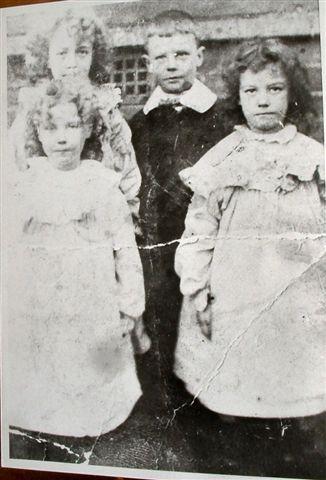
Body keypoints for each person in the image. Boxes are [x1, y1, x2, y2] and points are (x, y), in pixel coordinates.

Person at [174, 38, 325, 472]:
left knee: (295, 386)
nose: (263, 101)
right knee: (238, 389)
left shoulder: (313, 157)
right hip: (237, 289)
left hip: (296, 294)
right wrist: (196, 290)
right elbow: (199, 230)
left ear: (291, 93)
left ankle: (293, 455)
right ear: (237, 97)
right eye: (251, 91)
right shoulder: (225, 157)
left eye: (274, 89)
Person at [5, 80, 149, 463]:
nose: (62, 138)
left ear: (88, 129)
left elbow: (125, 249)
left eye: (72, 126)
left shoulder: (101, 185)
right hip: (40, 300)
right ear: (37, 132)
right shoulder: (27, 185)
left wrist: (130, 304)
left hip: (90, 297)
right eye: (51, 128)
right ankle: (41, 420)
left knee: (87, 360)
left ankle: (91, 422)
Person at [129, 10, 235, 409]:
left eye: (180, 53)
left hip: (203, 238)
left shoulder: (221, 117)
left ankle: (204, 399)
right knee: (159, 311)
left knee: (199, 314)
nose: (171, 64)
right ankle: (162, 402)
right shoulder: (139, 123)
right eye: (160, 57)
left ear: (200, 56)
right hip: (155, 240)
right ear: (147, 63)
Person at [10, 8, 140, 219]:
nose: (71, 63)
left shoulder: (106, 111)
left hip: (99, 218)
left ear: (93, 55)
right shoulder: (34, 109)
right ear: (46, 58)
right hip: (47, 217)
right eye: (62, 53)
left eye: (81, 51)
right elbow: (16, 169)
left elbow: (127, 176)